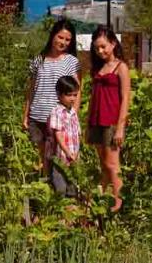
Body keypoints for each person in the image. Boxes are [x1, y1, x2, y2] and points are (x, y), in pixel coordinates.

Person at [24, 19, 81, 169]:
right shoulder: (38, 60)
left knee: (58, 155)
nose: (63, 42)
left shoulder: (71, 61)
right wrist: (26, 114)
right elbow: (31, 89)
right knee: (42, 155)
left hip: (58, 117)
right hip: (37, 115)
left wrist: (74, 114)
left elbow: (77, 90)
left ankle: (58, 187)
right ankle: (45, 186)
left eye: (68, 40)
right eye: (60, 37)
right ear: (53, 36)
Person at [87, 25, 132, 213]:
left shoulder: (121, 67)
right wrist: (87, 123)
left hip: (112, 122)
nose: (100, 51)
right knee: (103, 164)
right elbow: (93, 96)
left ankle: (119, 204)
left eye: (103, 46)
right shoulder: (98, 68)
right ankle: (103, 200)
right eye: (97, 48)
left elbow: (125, 99)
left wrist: (120, 127)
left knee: (113, 164)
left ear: (113, 43)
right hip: (96, 120)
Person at [46, 75, 81, 198]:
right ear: (59, 95)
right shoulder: (57, 111)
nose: (72, 98)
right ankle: (60, 203)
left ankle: (72, 201)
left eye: (75, 95)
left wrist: (76, 152)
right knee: (60, 178)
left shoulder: (72, 112)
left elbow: (77, 133)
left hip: (74, 155)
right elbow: (58, 134)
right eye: (69, 95)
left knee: (72, 179)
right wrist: (67, 151)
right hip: (61, 155)